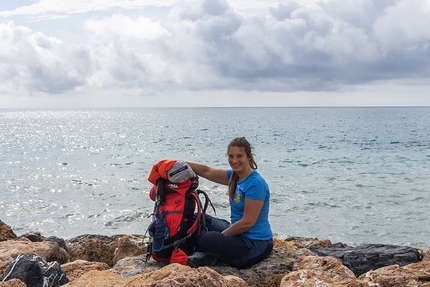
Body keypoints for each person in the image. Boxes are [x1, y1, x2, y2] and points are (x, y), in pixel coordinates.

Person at [187, 137, 273, 268]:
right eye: (231, 156)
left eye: (239, 156)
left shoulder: (255, 183)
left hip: (255, 244)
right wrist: (177, 163)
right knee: (195, 219)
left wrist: (220, 237)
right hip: (238, 234)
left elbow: (247, 222)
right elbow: (207, 171)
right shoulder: (234, 176)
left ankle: (208, 250)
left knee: (208, 239)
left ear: (249, 157)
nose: (234, 161)